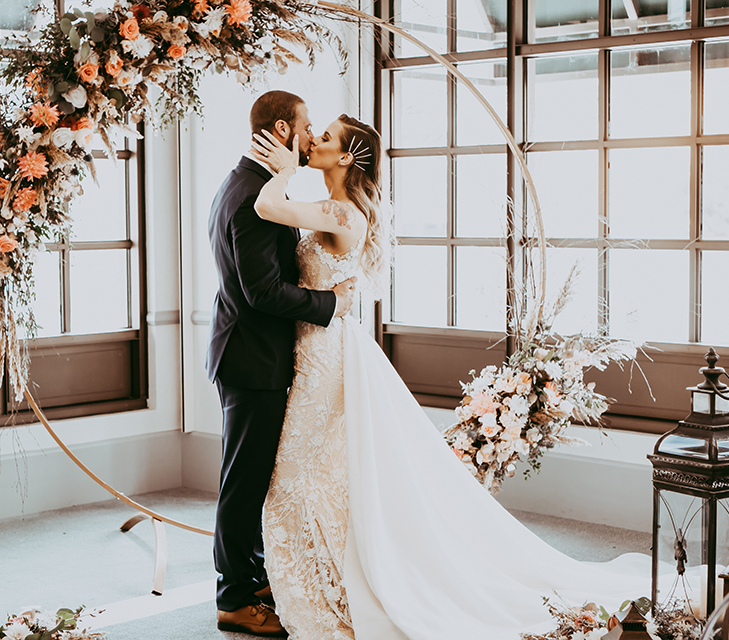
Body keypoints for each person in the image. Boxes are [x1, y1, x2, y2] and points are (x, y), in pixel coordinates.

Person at [251, 116, 649, 640]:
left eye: (325, 138)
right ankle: (332, 574)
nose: (314, 142)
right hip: (316, 348)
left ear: (346, 158)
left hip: (327, 356)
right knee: (321, 474)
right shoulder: (333, 204)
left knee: (299, 475)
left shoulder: (342, 211)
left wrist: (282, 170)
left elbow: (267, 206)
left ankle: (335, 585)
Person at [206, 90, 358, 637]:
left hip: (255, 354)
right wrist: (330, 303)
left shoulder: (249, 182)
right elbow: (262, 292)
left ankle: (254, 575)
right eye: (307, 124)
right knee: (243, 484)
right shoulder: (251, 193)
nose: (312, 133)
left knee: (255, 478)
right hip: (252, 358)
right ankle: (234, 599)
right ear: (281, 129)